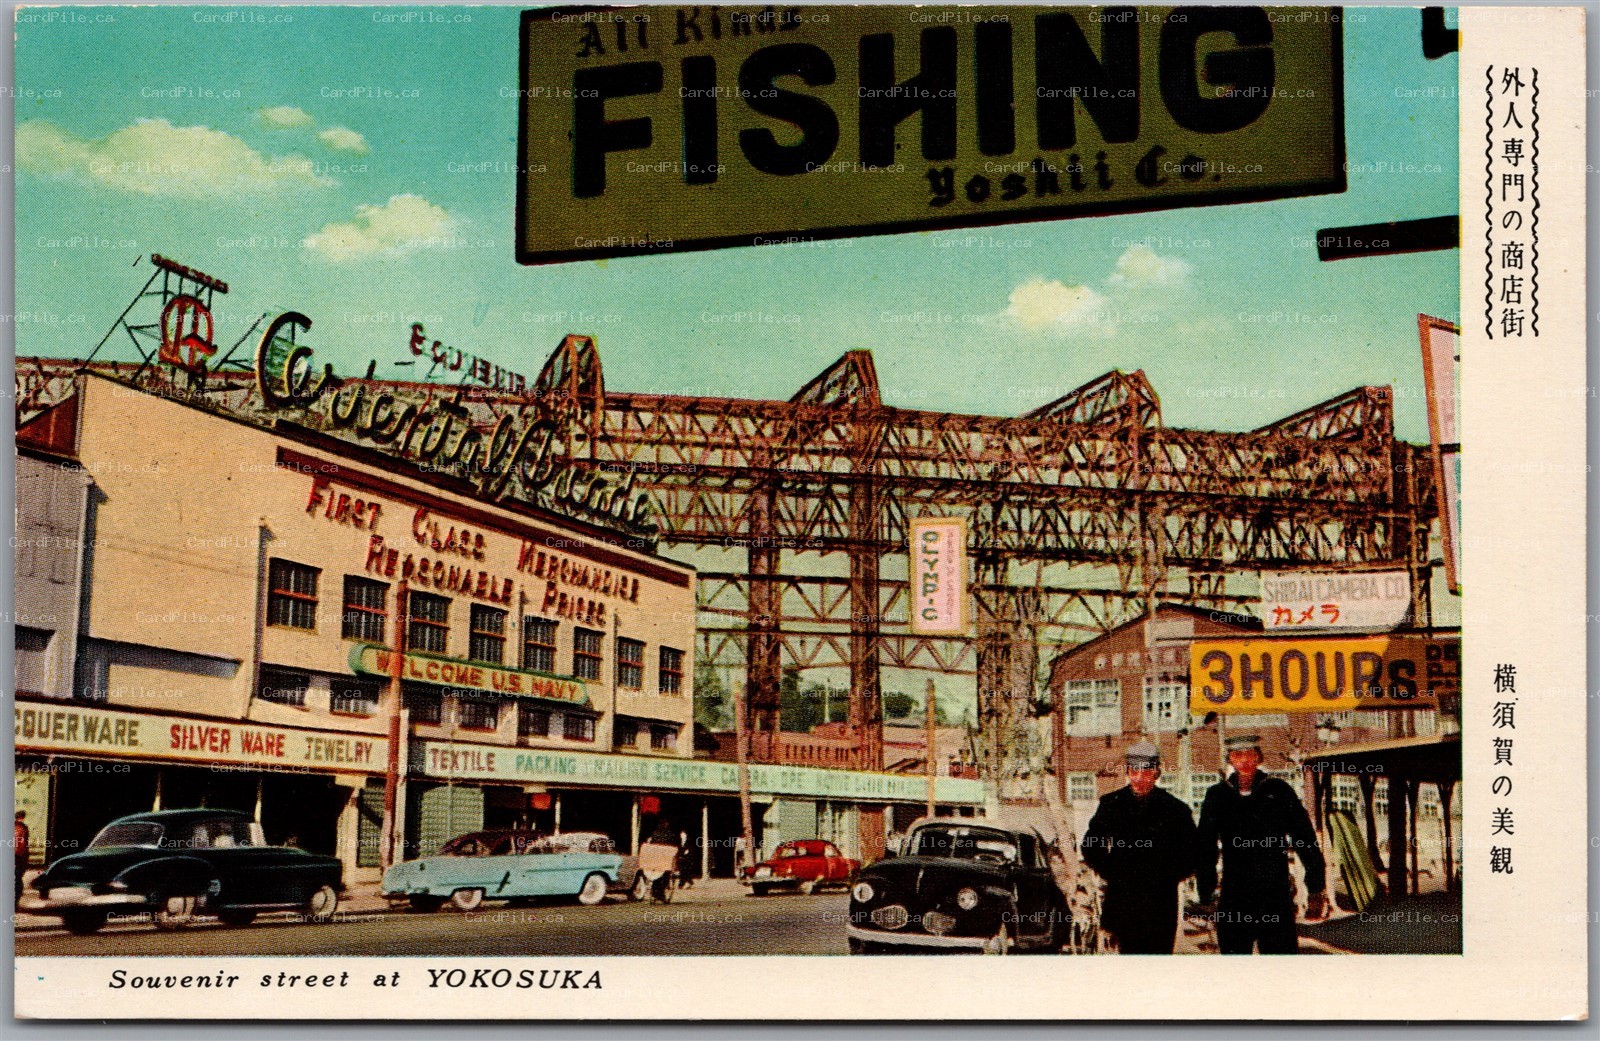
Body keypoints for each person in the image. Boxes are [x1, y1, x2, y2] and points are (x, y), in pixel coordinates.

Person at [1195, 734, 1329, 954]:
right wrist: (1205, 893)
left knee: (1280, 968)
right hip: (1234, 897)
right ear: (1230, 759)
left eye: (1250, 754)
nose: (1245, 761)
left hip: (1274, 896)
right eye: (1238, 755)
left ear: (1258, 757)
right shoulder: (1218, 796)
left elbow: (1305, 840)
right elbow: (1205, 847)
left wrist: (1315, 888)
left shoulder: (1278, 792)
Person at [1080, 741, 1198, 954]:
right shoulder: (1112, 804)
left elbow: (1193, 852)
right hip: (1123, 901)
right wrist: (1110, 870)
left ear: (1156, 773)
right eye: (1134, 772)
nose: (1139, 779)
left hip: (1160, 902)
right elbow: (1091, 844)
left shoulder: (1175, 809)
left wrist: (1168, 875)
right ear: (1128, 772)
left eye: (1146, 773)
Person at [14, 811, 30, 909]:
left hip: (19, 856)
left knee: (17, 879)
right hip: (19, 856)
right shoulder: (23, 828)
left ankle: (15, 902)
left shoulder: (23, 828)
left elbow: (25, 844)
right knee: (17, 879)